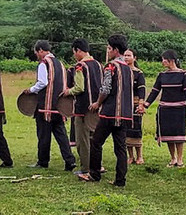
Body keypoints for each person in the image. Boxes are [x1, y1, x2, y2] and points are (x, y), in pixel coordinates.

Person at [80, 34, 134, 187]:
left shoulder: (111, 66)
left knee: (96, 142)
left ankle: (94, 174)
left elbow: (106, 88)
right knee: (120, 148)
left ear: (116, 50)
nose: (108, 51)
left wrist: (98, 102)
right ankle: (120, 180)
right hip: (124, 114)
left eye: (109, 48)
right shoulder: (129, 69)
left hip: (110, 112)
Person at [24, 40, 76, 171]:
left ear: (41, 50)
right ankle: (69, 160)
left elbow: (42, 82)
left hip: (45, 106)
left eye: (36, 52)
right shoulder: (60, 64)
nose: (36, 55)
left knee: (43, 135)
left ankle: (43, 161)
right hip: (59, 106)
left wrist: (30, 90)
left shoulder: (44, 63)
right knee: (61, 134)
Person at [138, 49, 186, 167]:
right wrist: (145, 105)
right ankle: (172, 158)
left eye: (164, 59)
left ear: (172, 60)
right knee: (168, 135)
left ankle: (180, 159)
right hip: (165, 108)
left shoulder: (184, 74)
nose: (162, 62)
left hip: (178, 108)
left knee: (178, 135)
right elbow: (154, 91)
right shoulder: (162, 75)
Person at [62, 38, 103, 175]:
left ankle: (86, 169)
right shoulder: (98, 65)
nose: (74, 55)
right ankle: (98, 166)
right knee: (95, 139)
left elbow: (79, 88)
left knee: (83, 141)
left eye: (74, 52)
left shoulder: (80, 66)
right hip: (96, 108)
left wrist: (68, 91)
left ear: (78, 50)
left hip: (83, 109)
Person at [123, 49, 146, 165]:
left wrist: (141, 104)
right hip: (124, 104)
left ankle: (140, 156)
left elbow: (142, 89)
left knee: (136, 129)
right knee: (126, 130)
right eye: (125, 55)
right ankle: (130, 156)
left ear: (134, 57)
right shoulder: (122, 72)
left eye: (129, 55)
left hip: (136, 104)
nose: (126, 57)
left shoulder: (139, 73)